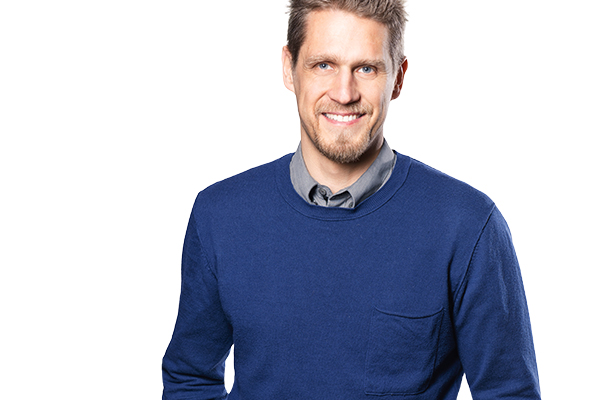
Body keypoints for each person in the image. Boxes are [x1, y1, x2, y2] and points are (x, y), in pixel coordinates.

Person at [162, 0, 541, 399]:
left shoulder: (466, 225)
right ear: (289, 68)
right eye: (323, 65)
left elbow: (509, 393)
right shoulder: (220, 215)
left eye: (366, 69)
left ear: (398, 78)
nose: (344, 94)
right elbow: (190, 379)